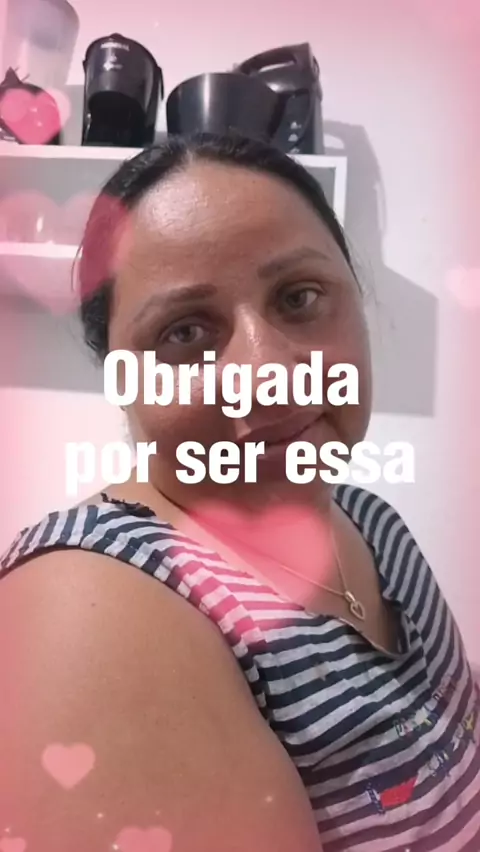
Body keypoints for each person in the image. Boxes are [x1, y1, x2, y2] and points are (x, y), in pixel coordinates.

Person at [0, 133, 478, 852]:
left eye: (300, 297)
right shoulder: (91, 610)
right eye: (185, 331)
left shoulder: (370, 521)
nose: (268, 372)